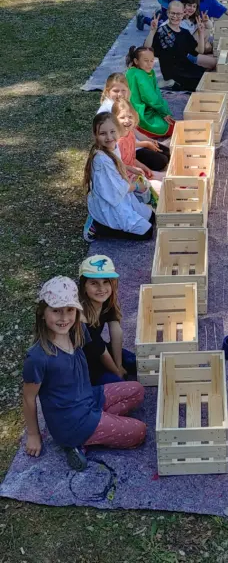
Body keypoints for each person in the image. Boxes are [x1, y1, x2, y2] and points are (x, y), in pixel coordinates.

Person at [23, 276, 146, 472]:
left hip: (89, 397)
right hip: (72, 423)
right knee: (139, 432)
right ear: (42, 313)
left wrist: (118, 367)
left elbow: (100, 345)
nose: (64, 318)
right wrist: (33, 435)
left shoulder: (78, 329)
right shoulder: (38, 357)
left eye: (70, 310)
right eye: (56, 311)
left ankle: (92, 432)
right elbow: (29, 398)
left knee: (137, 390)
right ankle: (78, 442)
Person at [83, 112, 154, 242]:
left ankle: (106, 221)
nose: (109, 137)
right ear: (95, 135)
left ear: (118, 131)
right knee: (147, 233)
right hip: (111, 201)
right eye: (103, 133)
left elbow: (116, 162)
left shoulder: (113, 146)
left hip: (121, 195)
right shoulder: (101, 160)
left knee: (151, 217)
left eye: (112, 131)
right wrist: (138, 186)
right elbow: (115, 190)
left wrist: (129, 167)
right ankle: (99, 226)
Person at [78, 256, 137, 386]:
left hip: (100, 350)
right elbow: (100, 351)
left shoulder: (105, 302)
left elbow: (116, 332)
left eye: (106, 282)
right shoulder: (80, 317)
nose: (101, 288)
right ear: (84, 286)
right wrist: (117, 371)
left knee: (136, 362)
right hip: (84, 365)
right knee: (120, 385)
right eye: (94, 283)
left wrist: (119, 364)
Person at [145, 1, 216, 92]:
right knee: (207, 85)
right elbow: (147, 49)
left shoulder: (184, 32)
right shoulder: (161, 31)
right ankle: (170, 83)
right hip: (173, 73)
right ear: (167, 13)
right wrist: (152, 31)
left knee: (211, 77)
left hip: (187, 68)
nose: (175, 16)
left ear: (183, 15)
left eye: (178, 14)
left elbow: (199, 51)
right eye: (172, 13)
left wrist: (201, 33)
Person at [125, 45, 175, 137]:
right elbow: (149, 97)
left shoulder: (148, 72)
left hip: (149, 106)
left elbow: (156, 93)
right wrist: (163, 112)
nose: (149, 64)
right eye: (146, 61)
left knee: (170, 120)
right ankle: (138, 128)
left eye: (152, 61)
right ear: (136, 61)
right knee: (171, 127)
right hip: (138, 111)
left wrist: (163, 109)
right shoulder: (138, 74)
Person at [113, 98, 170, 176]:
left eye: (130, 117)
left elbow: (132, 158)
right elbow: (119, 166)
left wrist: (145, 168)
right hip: (127, 175)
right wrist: (136, 170)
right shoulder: (118, 142)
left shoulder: (130, 133)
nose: (127, 120)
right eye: (122, 117)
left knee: (168, 153)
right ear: (114, 119)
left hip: (133, 169)